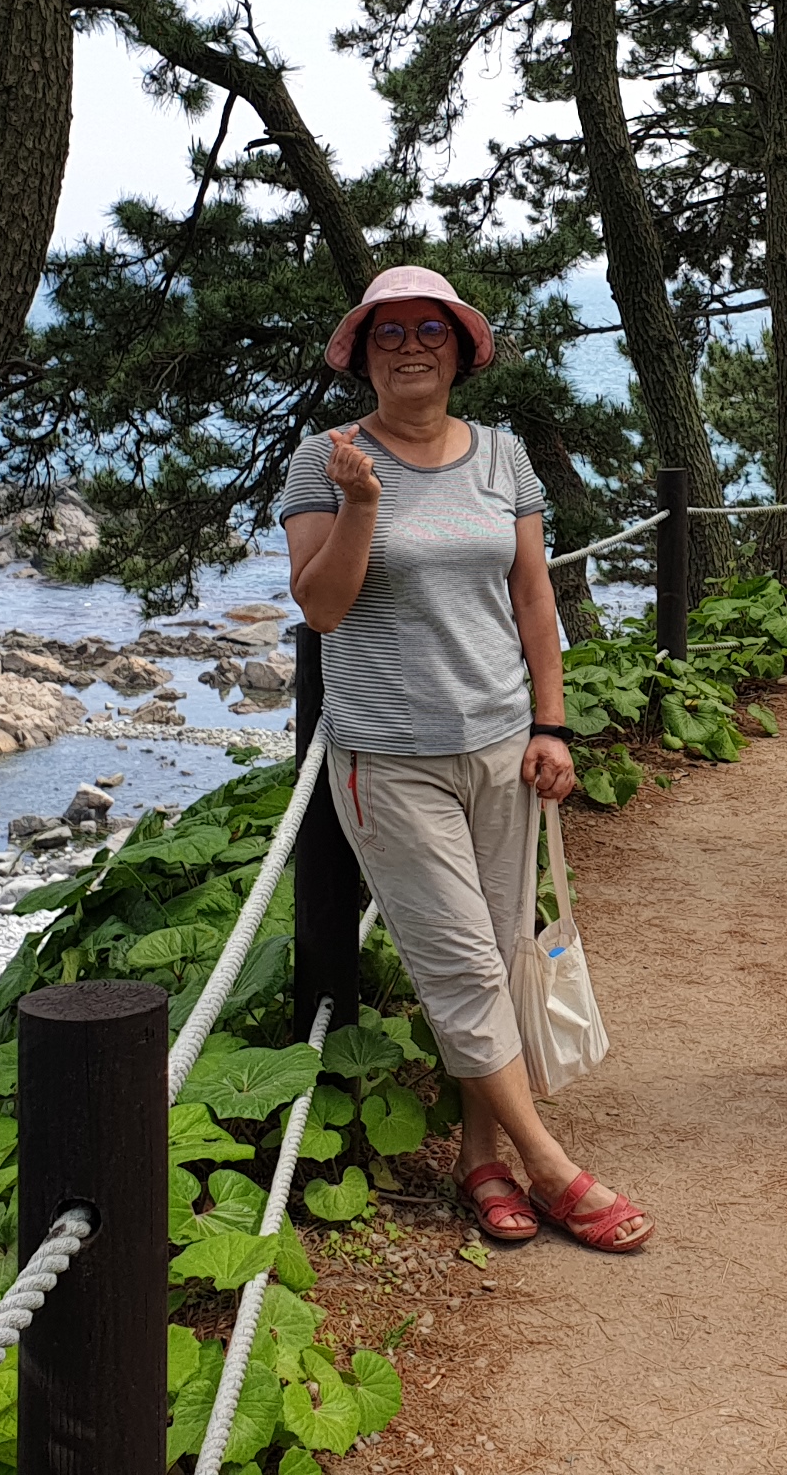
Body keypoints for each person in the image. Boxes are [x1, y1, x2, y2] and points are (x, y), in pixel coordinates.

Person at [281, 266, 654, 1253]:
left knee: (497, 951)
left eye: (430, 330)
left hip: (500, 745)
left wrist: (552, 725)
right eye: (389, 331)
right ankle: (551, 1166)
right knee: (459, 964)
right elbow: (321, 609)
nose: (410, 345)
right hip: (387, 757)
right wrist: (361, 505)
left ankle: (480, 1159)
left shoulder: (502, 457)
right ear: (361, 354)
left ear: (460, 350)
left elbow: (533, 597)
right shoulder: (326, 461)